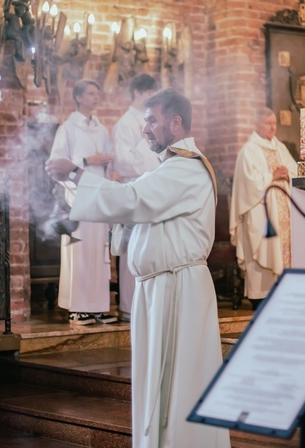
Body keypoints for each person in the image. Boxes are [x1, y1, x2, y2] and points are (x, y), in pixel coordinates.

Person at [46, 89, 230, 448]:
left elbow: (133, 200)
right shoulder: (170, 167)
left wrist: (78, 175)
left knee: (180, 381)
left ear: (176, 123)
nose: (145, 128)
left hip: (178, 289)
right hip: (159, 288)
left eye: (151, 120)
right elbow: (135, 203)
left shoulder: (186, 167)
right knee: (158, 382)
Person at [48, 79, 117, 326]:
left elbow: (108, 164)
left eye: (98, 93)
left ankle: (98, 307)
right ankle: (78, 308)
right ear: (78, 97)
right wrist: (89, 160)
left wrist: (107, 162)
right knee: (79, 251)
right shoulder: (68, 127)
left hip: (98, 193)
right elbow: (56, 164)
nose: (95, 97)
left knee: (99, 252)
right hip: (76, 196)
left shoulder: (101, 129)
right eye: (90, 93)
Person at [229, 107, 297, 308]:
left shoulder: (280, 148)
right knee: (262, 259)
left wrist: (287, 173)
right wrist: (271, 177)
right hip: (261, 214)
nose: (272, 127)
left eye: (274, 123)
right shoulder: (248, 151)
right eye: (268, 123)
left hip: (284, 212)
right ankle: (260, 299)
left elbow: (294, 170)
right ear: (256, 125)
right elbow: (248, 185)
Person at [112, 73, 161, 322]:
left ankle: (145, 306)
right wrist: (147, 149)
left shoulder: (150, 120)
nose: (153, 98)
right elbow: (123, 162)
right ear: (137, 94)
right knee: (132, 249)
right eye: (150, 94)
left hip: (152, 190)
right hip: (133, 189)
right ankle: (129, 307)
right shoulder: (125, 124)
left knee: (147, 249)